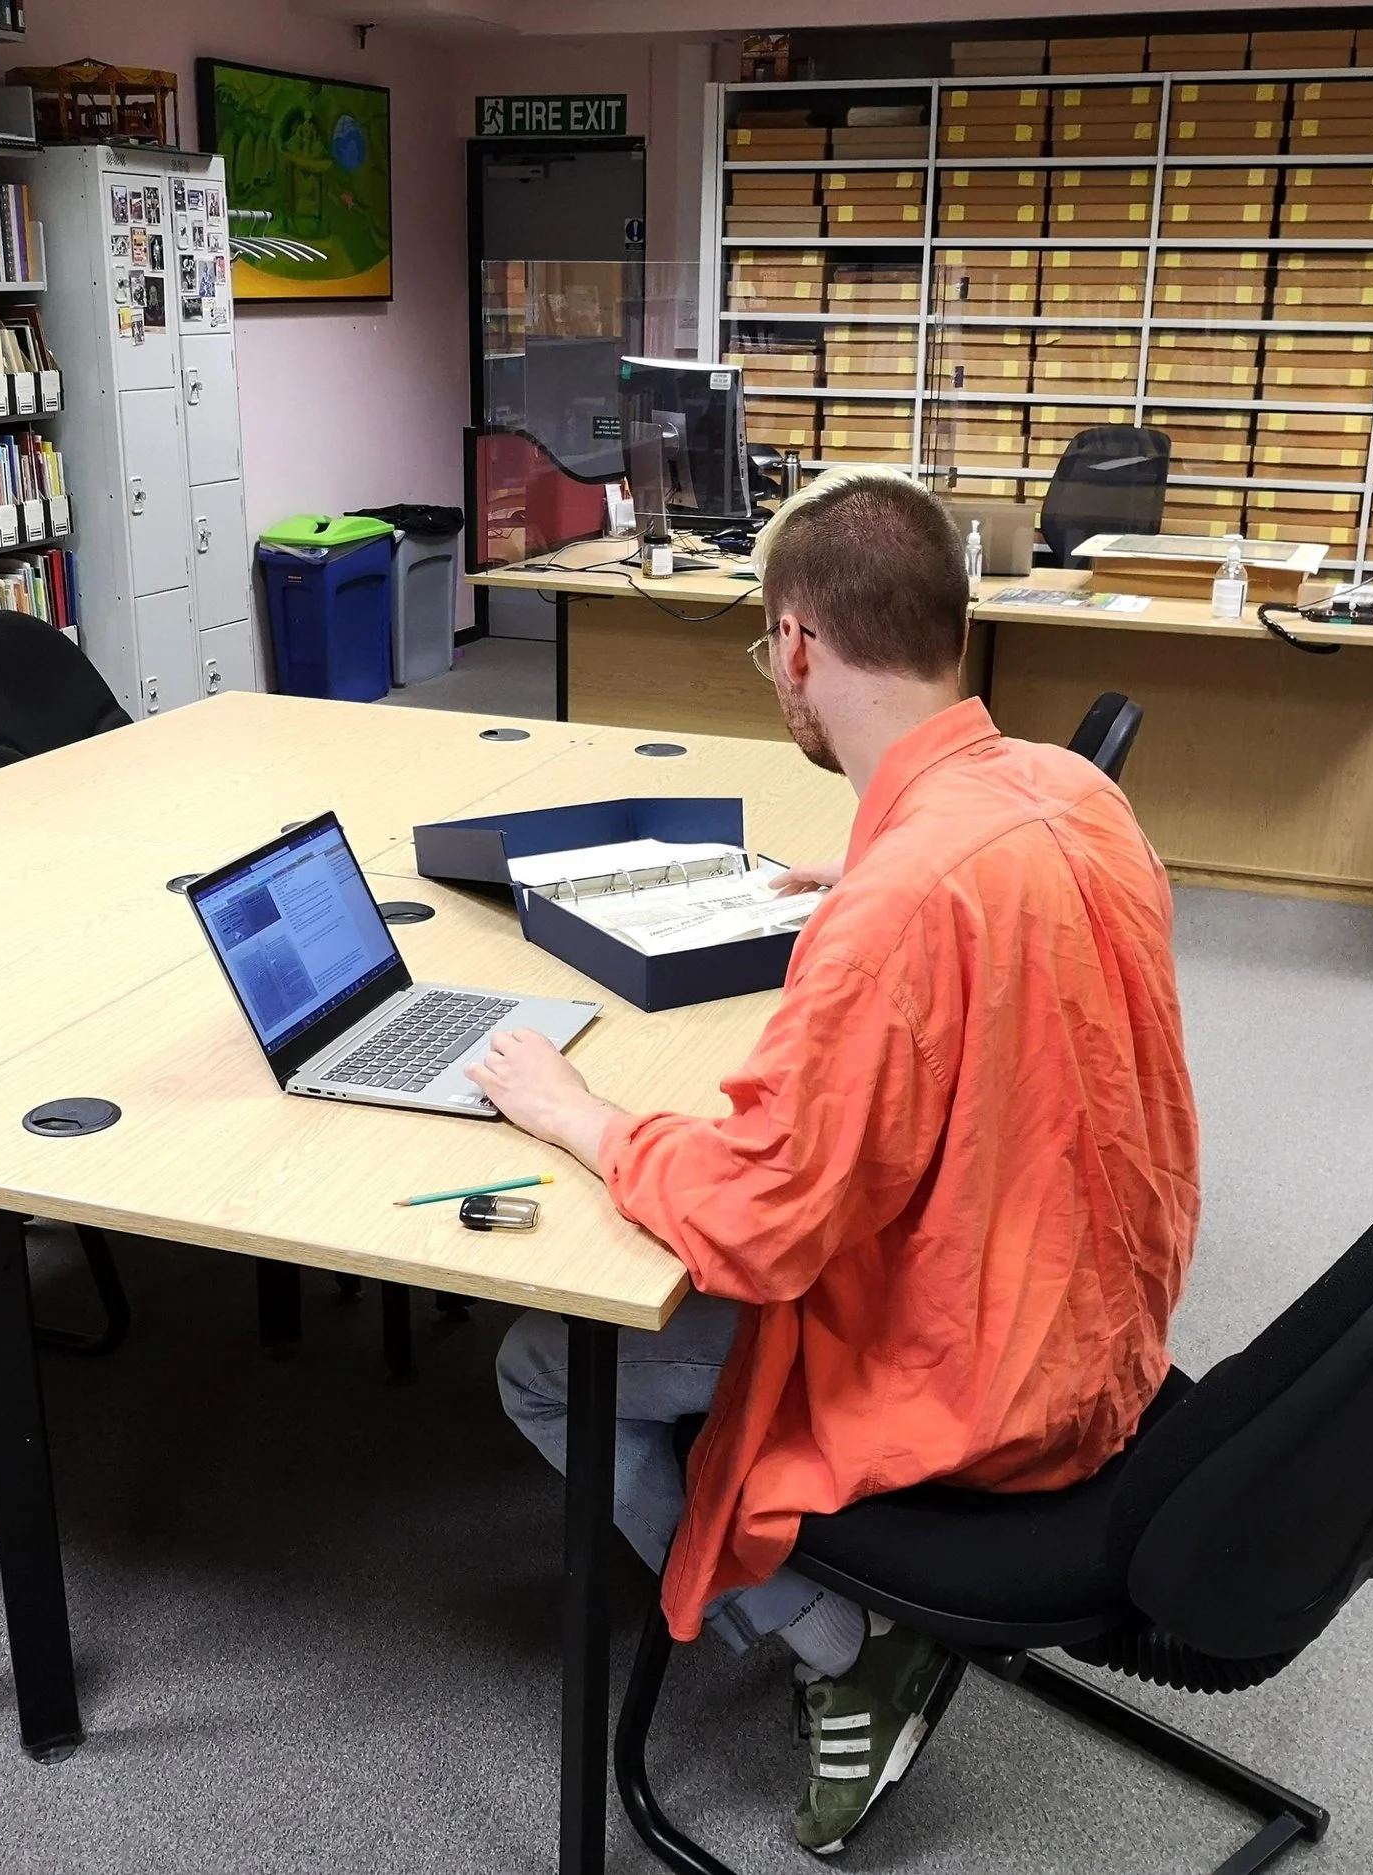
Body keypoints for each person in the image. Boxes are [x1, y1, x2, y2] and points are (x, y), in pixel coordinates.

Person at [469, 466, 1200, 1856]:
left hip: (992, 1370)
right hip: (1110, 1313)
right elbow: (988, 956)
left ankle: (838, 1640)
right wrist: (862, 884)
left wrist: (584, 1116)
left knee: (539, 1365)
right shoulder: (1065, 792)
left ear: (800, 645)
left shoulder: (905, 903)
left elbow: (756, 1227)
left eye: (767, 648)